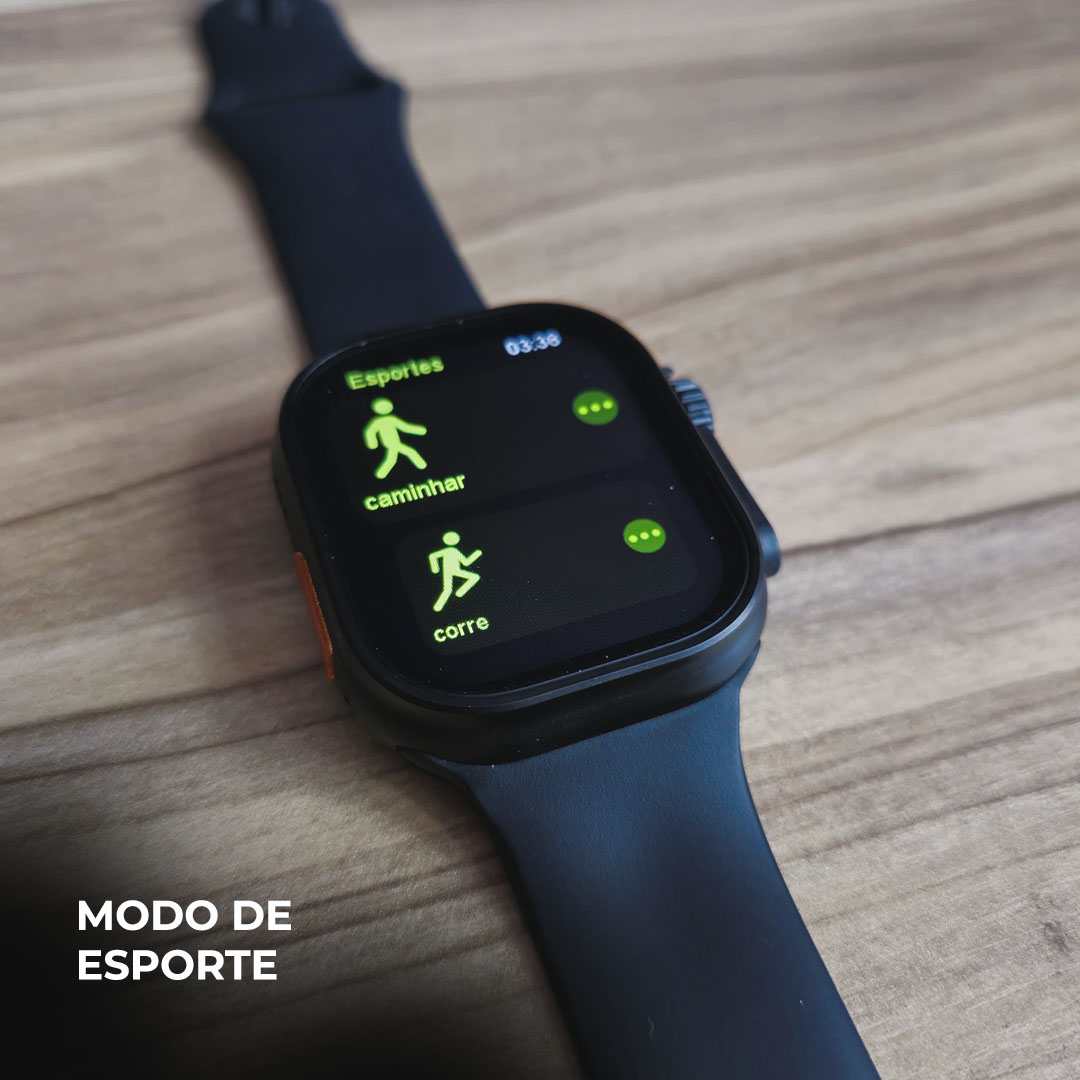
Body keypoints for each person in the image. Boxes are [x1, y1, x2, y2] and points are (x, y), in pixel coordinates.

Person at [363, 397, 427, 478]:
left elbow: (404, 427)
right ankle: (381, 474)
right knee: (406, 453)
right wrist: (372, 443)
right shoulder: (377, 422)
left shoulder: (391, 419)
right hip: (390, 443)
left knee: (394, 458)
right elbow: (370, 431)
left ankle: (381, 474)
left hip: (395, 442)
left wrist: (419, 430)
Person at [429, 531, 482, 612]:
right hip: (448, 571)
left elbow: (466, 563)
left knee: (474, 577)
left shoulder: (455, 551)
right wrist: (435, 568)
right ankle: (438, 607)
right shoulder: (448, 550)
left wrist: (475, 555)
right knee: (447, 590)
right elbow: (433, 556)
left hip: (456, 570)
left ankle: (460, 592)